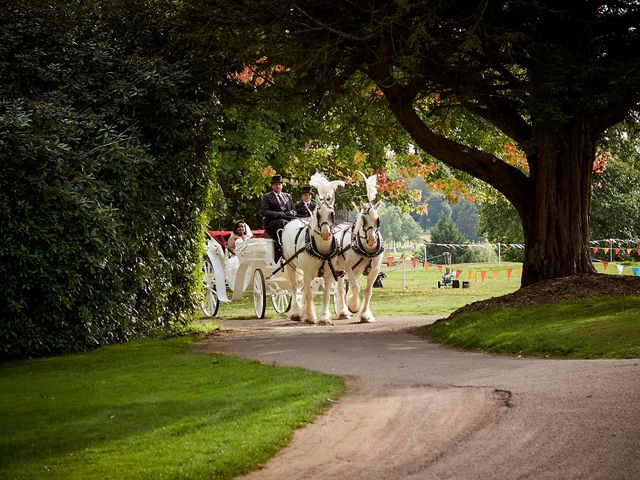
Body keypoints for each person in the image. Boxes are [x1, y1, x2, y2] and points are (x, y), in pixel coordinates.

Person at [262, 174, 296, 261]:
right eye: (276, 184)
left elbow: (294, 210)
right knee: (281, 222)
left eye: (279, 184)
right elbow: (264, 211)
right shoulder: (267, 196)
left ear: (282, 185)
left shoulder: (288, 196)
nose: (278, 186)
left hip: (287, 220)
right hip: (273, 222)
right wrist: (277, 214)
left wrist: (291, 213)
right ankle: (281, 244)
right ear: (272, 186)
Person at [225, 220, 252, 289]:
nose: (241, 228)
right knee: (236, 263)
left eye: (243, 227)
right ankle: (238, 285)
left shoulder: (247, 237)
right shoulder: (233, 237)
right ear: (236, 229)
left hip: (247, 256)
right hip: (236, 256)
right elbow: (230, 248)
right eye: (239, 227)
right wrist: (238, 254)